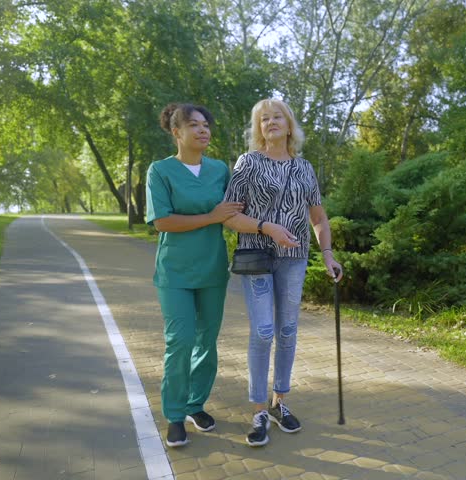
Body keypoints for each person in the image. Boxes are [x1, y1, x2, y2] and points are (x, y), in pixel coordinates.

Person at [224, 98, 343, 447]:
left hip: (294, 259)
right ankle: (259, 410)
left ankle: (280, 402)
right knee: (263, 332)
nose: (271, 122)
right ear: (259, 129)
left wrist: (328, 254)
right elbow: (230, 216)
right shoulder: (248, 163)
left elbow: (318, 217)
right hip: (257, 256)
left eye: (277, 117)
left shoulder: (305, 168)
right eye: (264, 119)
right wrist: (266, 227)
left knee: (287, 330)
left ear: (289, 126)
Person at [146, 102, 244, 447]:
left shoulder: (220, 170)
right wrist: (212, 216)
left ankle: (195, 404)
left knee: (207, 342)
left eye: (206, 125)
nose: (204, 130)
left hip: (213, 269)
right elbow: (162, 221)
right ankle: (174, 415)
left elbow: (237, 211)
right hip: (174, 272)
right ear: (177, 132)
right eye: (195, 125)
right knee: (180, 342)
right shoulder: (160, 171)